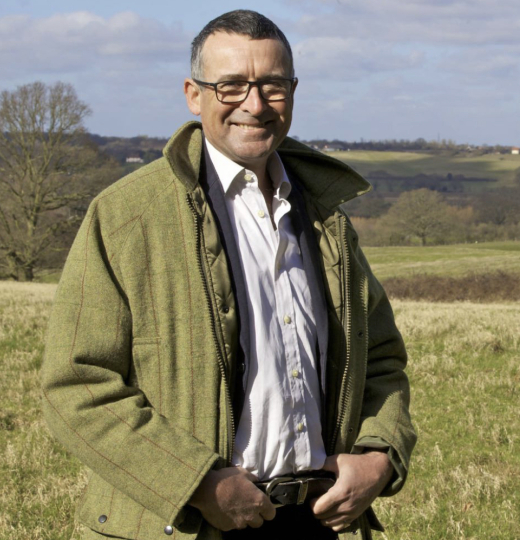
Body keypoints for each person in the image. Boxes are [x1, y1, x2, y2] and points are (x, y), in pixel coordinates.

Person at [40, 9, 416, 540]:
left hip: (313, 520)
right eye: (232, 85)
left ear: (293, 91)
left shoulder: (326, 217)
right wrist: (195, 483)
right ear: (194, 95)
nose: (255, 105)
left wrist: (379, 454)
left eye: (273, 86)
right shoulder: (125, 217)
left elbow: (380, 356)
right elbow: (76, 384)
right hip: (182, 522)